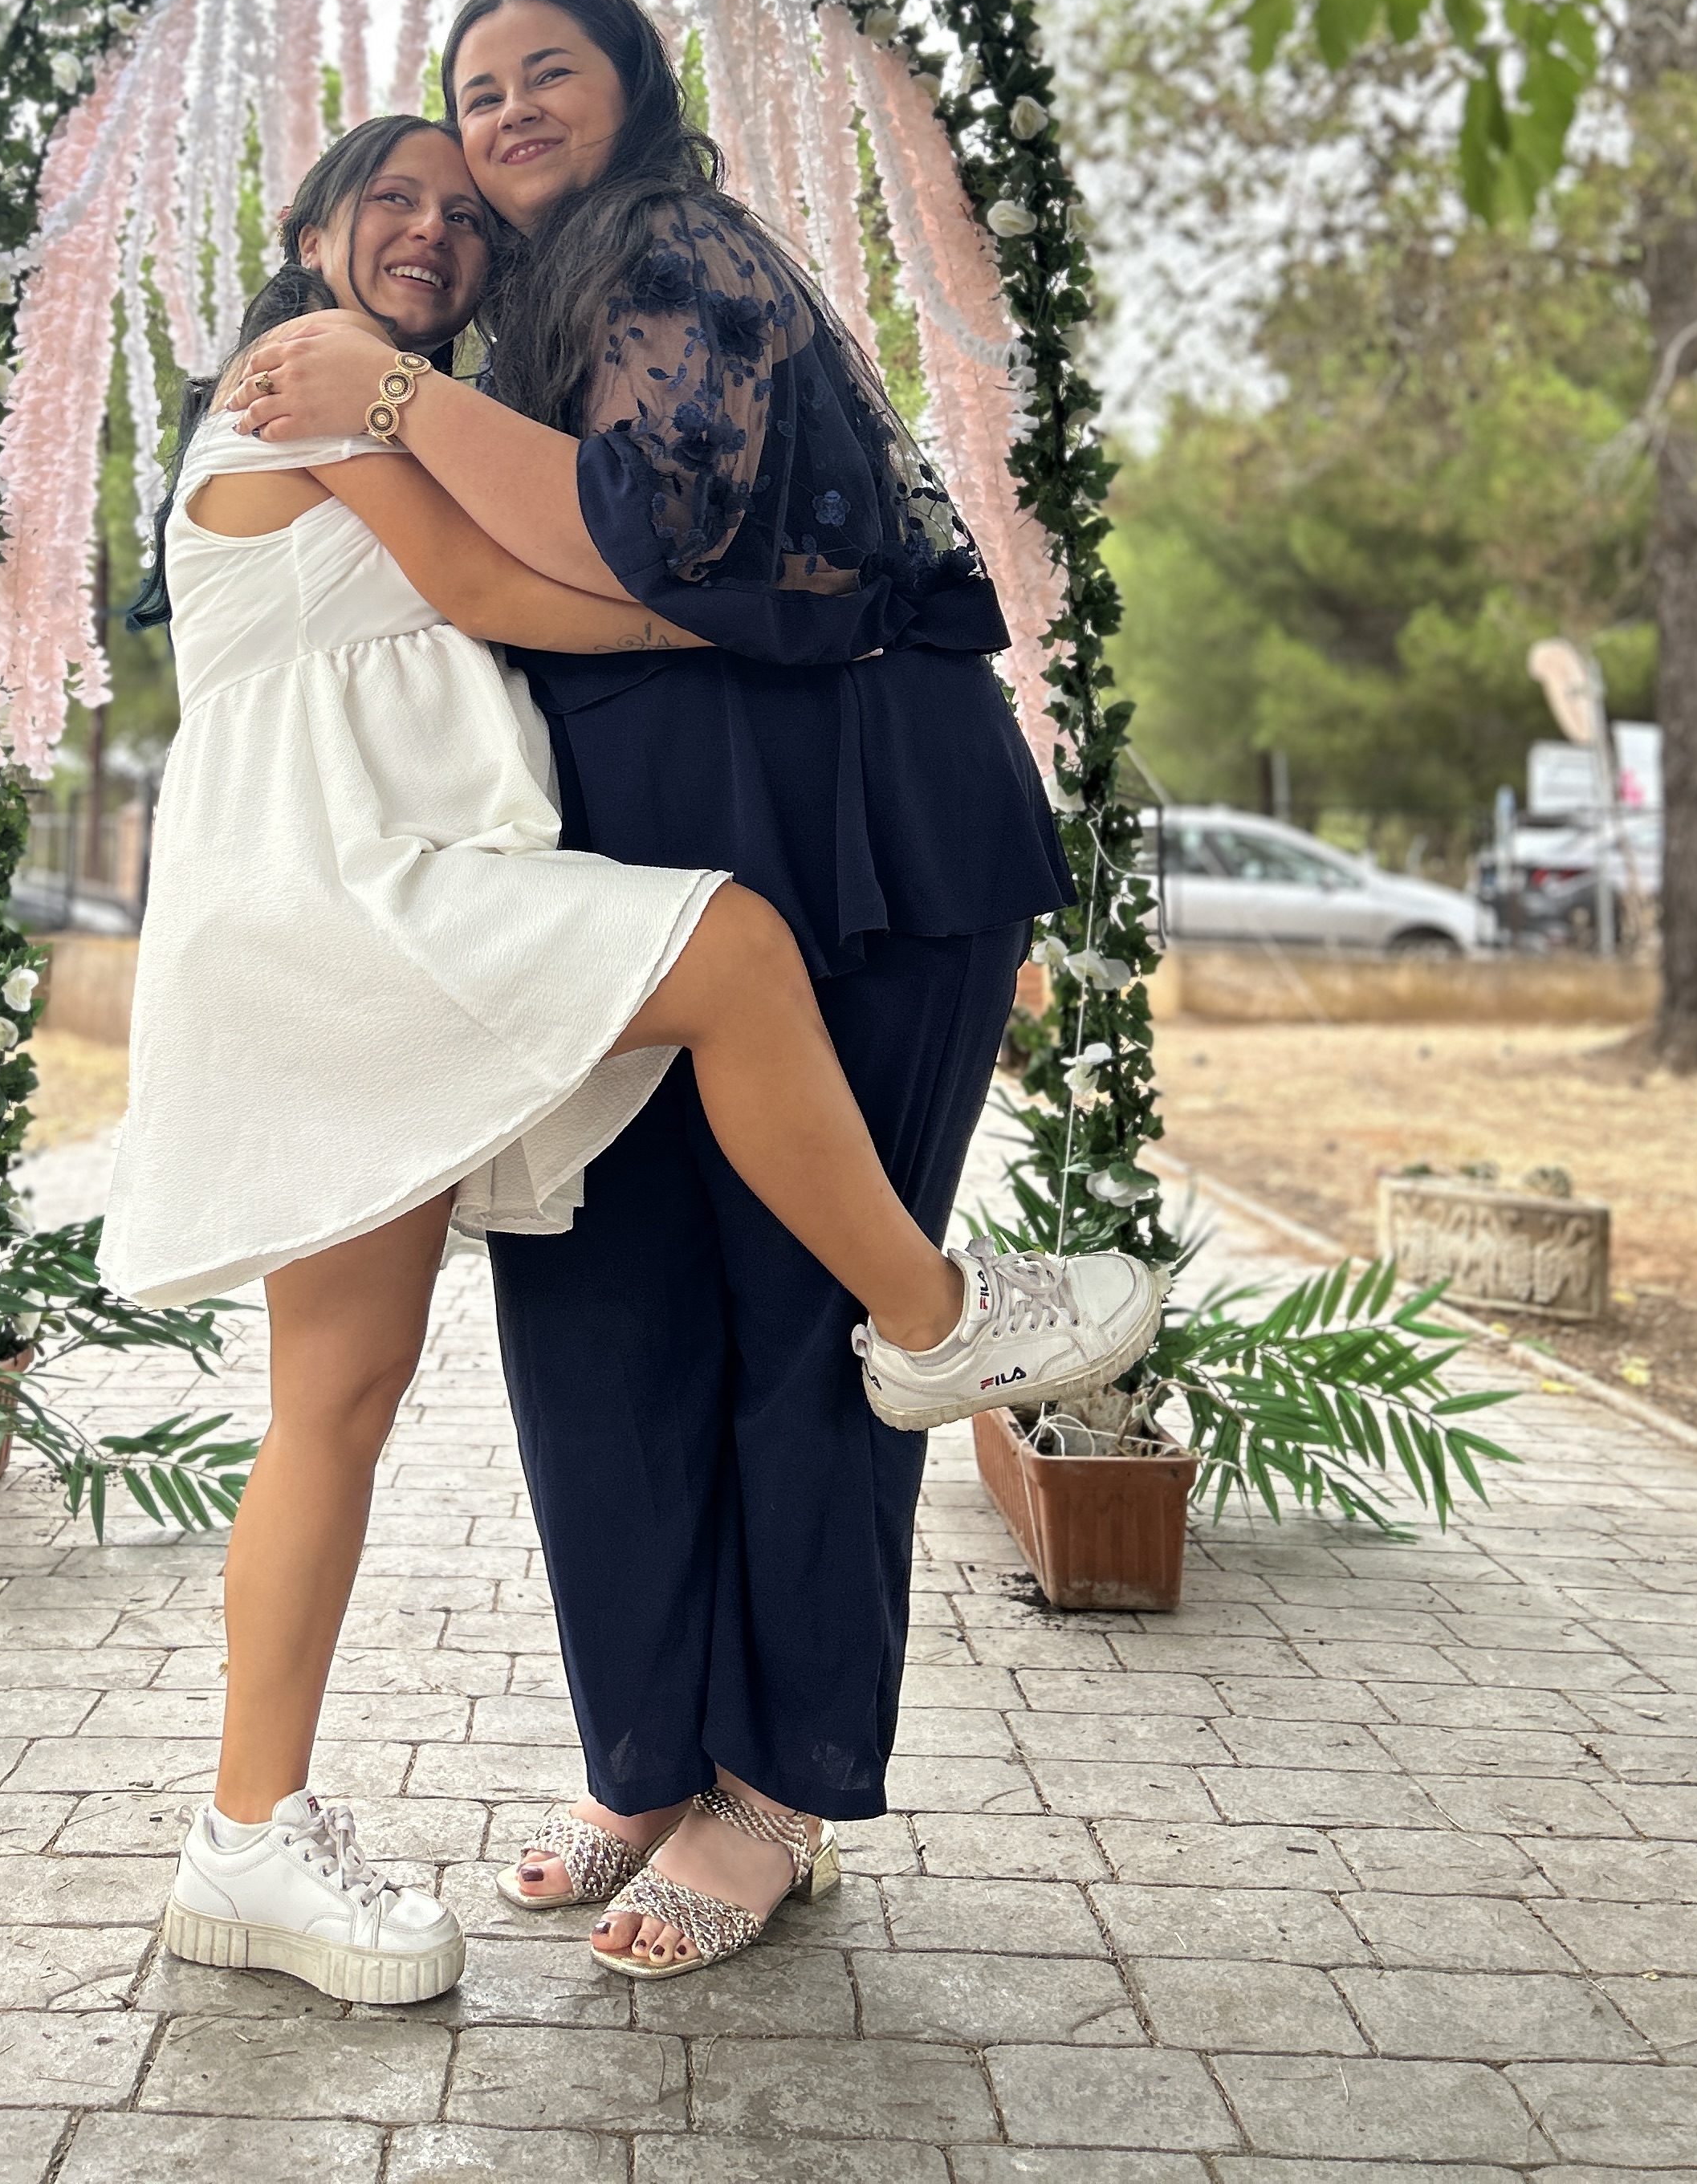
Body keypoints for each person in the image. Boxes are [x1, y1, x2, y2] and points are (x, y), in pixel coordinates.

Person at [118, 110, 1157, 2005]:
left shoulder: (375, 398)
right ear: (312, 227)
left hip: (320, 917)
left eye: (461, 212)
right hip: (354, 899)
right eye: (391, 198)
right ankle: (934, 1313)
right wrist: (764, 615)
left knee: (332, 1403)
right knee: (731, 954)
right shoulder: (313, 386)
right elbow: (498, 594)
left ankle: (244, 1836)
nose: (434, 226)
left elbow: (508, 561)